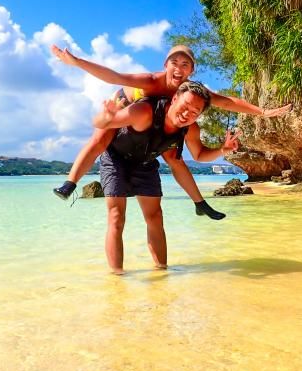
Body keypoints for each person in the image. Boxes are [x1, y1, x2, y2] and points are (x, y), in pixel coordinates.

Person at [50, 44, 290, 219]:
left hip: (161, 123)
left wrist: (262, 112)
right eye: (174, 62)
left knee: (175, 159)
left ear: (191, 71)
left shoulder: (191, 92)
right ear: (166, 65)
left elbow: (227, 102)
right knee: (100, 138)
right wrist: (77, 63)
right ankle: (70, 183)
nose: (179, 67)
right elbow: (115, 77)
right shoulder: (153, 81)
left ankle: (200, 203)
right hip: (127, 106)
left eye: (185, 64)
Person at [93, 80, 239, 274]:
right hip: (116, 158)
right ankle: (117, 278)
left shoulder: (190, 128)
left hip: (145, 163)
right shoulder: (147, 109)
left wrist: (222, 150)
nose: (187, 113)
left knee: (155, 217)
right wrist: (106, 115)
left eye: (195, 111)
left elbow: (198, 156)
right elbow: (105, 124)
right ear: (175, 98)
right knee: (116, 217)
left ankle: (162, 272)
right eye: (185, 106)